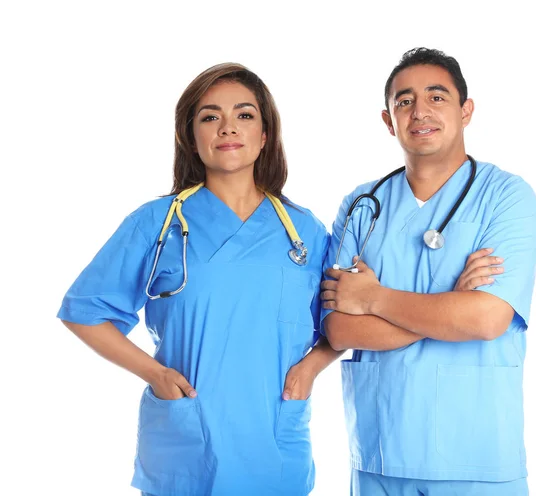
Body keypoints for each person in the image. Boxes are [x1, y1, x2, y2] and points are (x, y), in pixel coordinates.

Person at [57, 63, 340, 496]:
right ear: (191, 138)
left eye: (244, 115)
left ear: (265, 135)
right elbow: (84, 311)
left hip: (275, 437)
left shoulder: (305, 231)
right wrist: (154, 374)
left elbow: (340, 324)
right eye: (210, 117)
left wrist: (311, 368)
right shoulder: (156, 222)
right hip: (188, 441)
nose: (228, 127)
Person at [320, 48, 536, 495]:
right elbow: (339, 329)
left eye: (436, 97)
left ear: (465, 110)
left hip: (477, 456)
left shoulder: (507, 197)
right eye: (404, 101)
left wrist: (373, 299)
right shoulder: (364, 206)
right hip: (381, 452)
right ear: (388, 120)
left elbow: (486, 319)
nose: (420, 111)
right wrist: (449, 305)